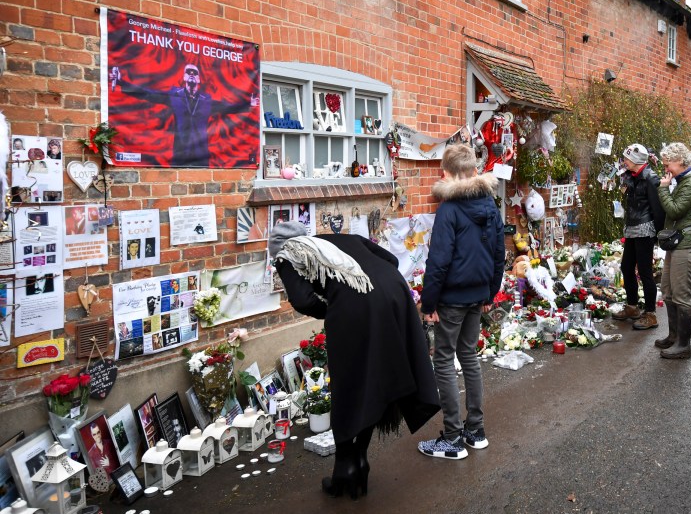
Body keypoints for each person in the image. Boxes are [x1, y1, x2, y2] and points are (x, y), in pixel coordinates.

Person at [270, 222, 440, 499]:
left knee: (348, 385)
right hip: (395, 295)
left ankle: (345, 469)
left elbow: (301, 300)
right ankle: (358, 458)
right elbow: (391, 259)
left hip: (358, 308)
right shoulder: (340, 239)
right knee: (375, 378)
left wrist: (335, 306)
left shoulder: (286, 254)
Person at [417, 143, 505, 460]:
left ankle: (452, 438)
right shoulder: (490, 206)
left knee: (444, 360)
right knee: (468, 356)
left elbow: (438, 263)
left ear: (449, 172)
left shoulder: (449, 210)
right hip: (477, 294)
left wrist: (429, 305)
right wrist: (489, 294)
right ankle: (476, 430)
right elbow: (499, 255)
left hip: (453, 299)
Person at [110, 64, 253, 167]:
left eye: (195, 73)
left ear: (198, 79)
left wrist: (249, 105)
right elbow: (148, 94)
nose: (191, 74)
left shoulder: (206, 100)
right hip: (180, 154)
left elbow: (227, 107)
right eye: (188, 71)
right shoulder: (174, 95)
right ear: (184, 76)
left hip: (201, 155)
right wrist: (122, 82)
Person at [654, 142, 691, 359]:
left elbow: (675, 211)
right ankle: (674, 336)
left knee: (682, 295)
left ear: (680, 161)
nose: (666, 168)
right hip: (678, 243)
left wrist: (664, 189)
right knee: (668, 290)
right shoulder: (682, 179)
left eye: (668, 164)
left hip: (687, 245)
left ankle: (684, 345)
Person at [611, 143, 665, 330]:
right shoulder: (630, 176)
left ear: (636, 161)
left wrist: (657, 233)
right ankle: (632, 307)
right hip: (632, 227)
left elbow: (657, 208)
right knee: (626, 267)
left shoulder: (650, 178)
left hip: (645, 228)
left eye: (627, 159)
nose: (624, 161)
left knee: (645, 271)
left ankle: (650, 314)